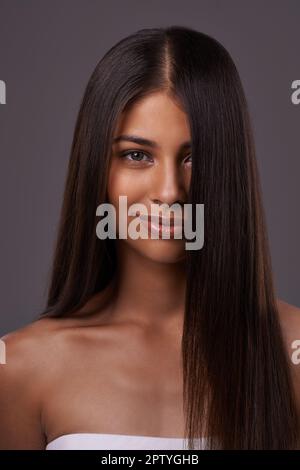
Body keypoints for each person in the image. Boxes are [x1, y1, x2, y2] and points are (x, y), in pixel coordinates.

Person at [0, 25, 300, 450]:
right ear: (96, 168)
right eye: (137, 155)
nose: (169, 191)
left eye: (195, 157)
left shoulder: (291, 351)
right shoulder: (19, 368)